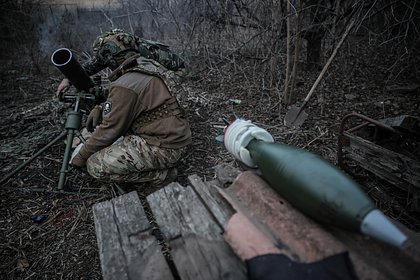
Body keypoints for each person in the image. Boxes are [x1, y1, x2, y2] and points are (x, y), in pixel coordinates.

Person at [69, 29, 191, 186]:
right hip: (176, 136)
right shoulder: (148, 65)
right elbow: (127, 97)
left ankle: (162, 175)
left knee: (94, 165)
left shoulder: (125, 84)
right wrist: (101, 108)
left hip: (165, 147)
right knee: (111, 144)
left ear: (111, 59)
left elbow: (109, 130)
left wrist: (81, 157)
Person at [56, 29, 185, 97]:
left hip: (175, 73)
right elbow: (91, 66)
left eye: (119, 57)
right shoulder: (110, 51)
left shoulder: (145, 55)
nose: (115, 60)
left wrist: (108, 93)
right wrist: (68, 79)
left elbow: (134, 84)